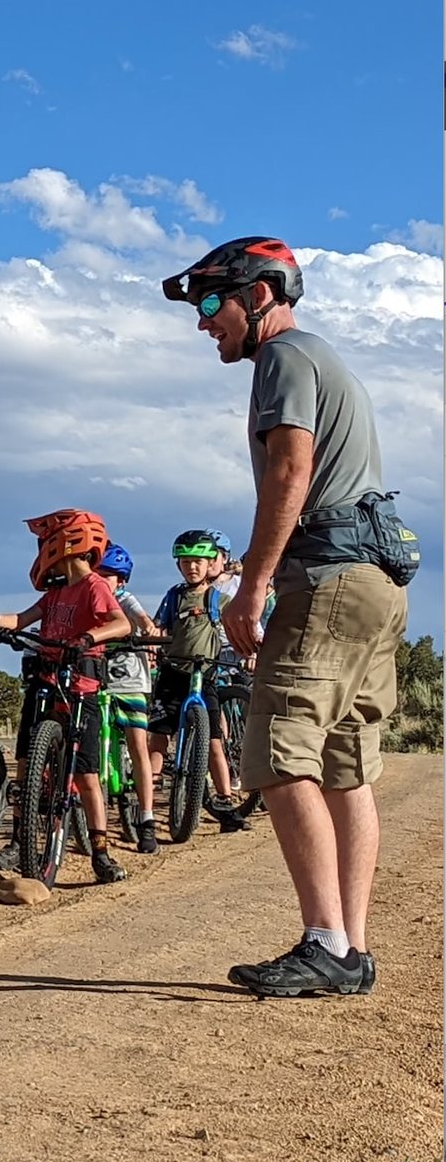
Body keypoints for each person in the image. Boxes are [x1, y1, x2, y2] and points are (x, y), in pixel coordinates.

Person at [163, 235, 409, 996]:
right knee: (344, 764)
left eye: (213, 302)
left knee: (276, 750)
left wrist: (252, 585)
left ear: (260, 295)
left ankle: (325, 941)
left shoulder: (283, 358)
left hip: (327, 579)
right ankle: (351, 950)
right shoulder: (319, 359)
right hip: (376, 581)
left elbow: (290, 466)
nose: (205, 321)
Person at [0, 508, 133, 884]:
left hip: (81, 686)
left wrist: (89, 638)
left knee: (88, 774)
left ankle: (101, 851)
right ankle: (19, 840)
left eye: (47, 542)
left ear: (66, 543)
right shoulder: (57, 591)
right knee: (26, 762)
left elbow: (120, 622)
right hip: (46, 677)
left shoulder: (95, 586)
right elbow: (24, 618)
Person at [145, 530, 249, 834]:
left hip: (205, 675)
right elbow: (160, 626)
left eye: (199, 561)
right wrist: (149, 639)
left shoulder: (218, 598)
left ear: (211, 563)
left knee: (214, 740)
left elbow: (242, 620)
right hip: (173, 672)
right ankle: (147, 804)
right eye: (186, 561)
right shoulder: (174, 596)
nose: (192, 567)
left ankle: (224, 800)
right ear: (179, 564)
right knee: (159, 736)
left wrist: (256, 643)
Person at [92, 543, 160, 855]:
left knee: (138, 745)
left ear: (121, 581)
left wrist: (148, 631)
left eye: (109, 576)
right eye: (98, 573)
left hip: (130, 680)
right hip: (97, 677)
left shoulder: (124, 600)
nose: (103, 580)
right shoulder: (90, 599)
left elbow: (143, 619)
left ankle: (147, 818)